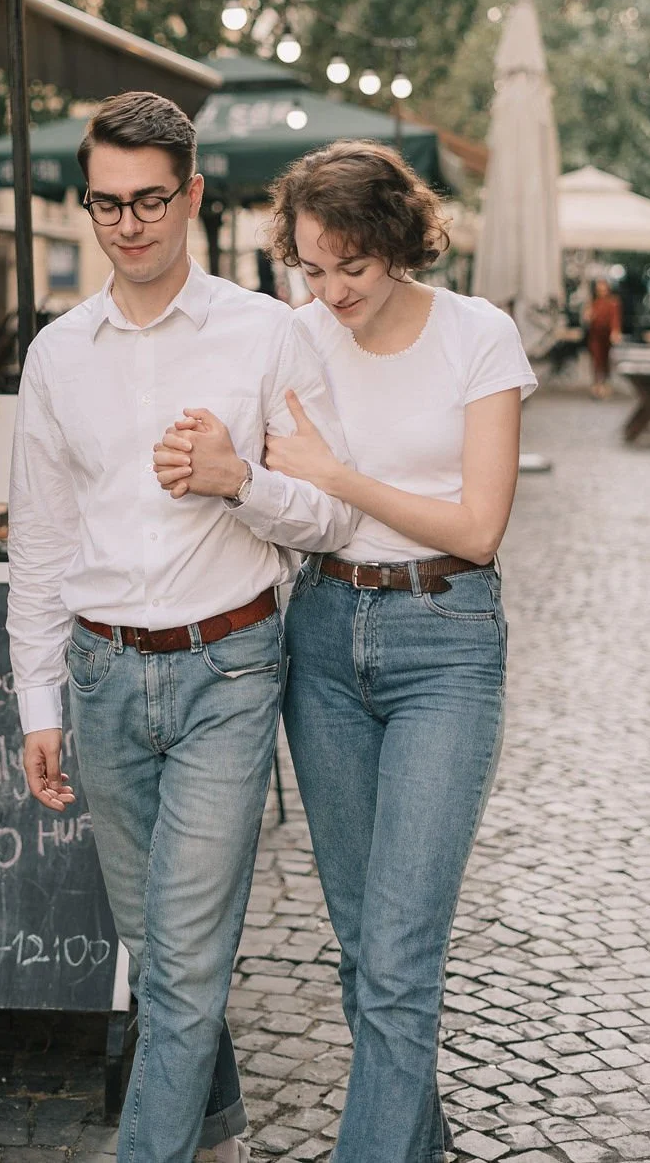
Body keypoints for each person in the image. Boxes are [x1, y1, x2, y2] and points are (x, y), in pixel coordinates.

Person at [154, 140, 536, 1163]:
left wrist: (338, 476)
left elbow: (479, 528)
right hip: (321, 637)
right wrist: (229, 470)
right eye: (312, 268)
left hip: (445, 641)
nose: (330, 292)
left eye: (351, 266)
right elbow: (277, 499)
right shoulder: (294, 338)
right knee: (366, 952)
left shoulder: (479, 336)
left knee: (400, 957)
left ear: (399, 241)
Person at [7, 92, 355, 1163]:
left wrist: (236, 479)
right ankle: (217, 1137)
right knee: (159, 952)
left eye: (151, 200)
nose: (129, 224)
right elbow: (40, 542)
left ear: (193, 194)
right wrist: (38, 703)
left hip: (230, 669)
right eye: (107, 203)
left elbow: (332, 513)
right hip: (103, 675)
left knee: (188, 962)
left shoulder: (268, 333)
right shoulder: (58, 354)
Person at [585, 277, 622, 397]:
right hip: (595, 335)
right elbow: (588, 319)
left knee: (606, 360)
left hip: (606, 336)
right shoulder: (593, 303)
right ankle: (597, 384)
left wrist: (615, 331)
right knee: (596, 360)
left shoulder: (613, 302)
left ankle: (605, 384)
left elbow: (615, 319)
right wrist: (588, 316)